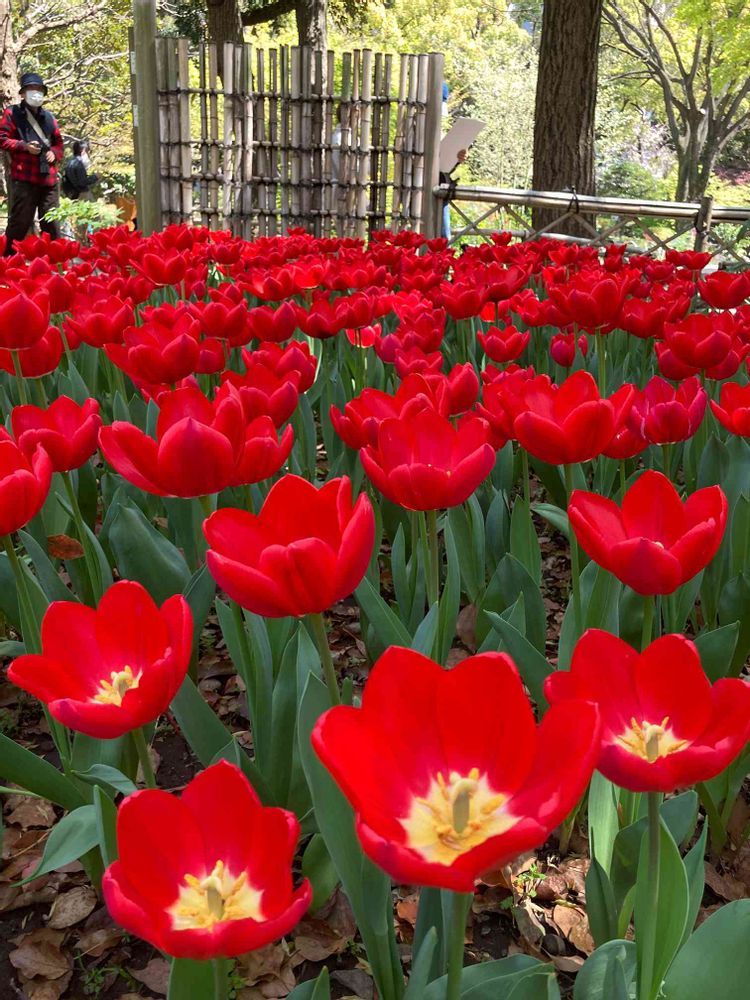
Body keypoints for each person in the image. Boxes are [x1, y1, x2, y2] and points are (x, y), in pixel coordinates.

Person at [0, 72, 64, 256]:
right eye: (31, 89)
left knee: (51, 224)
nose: (35, 93)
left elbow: (59, 143)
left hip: (49, 180)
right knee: (19, 223)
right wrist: (24, 146)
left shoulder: (49, 117)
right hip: (24, 179)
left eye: (39, 89)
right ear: (22, 93)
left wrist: (55, 153)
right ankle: (8, 263)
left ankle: (54, 265)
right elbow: (2, 139)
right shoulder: (11, 113)